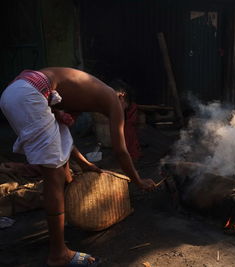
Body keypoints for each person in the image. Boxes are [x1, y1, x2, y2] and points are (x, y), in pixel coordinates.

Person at [0, 68, 156, 266]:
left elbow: (62, 136)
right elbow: (121, 151)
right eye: (124, 109)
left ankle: (62, 218)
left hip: (15, 92)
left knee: (61, 166)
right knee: (54, 176)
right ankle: (59, 254)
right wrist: (138, 181)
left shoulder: (84, 92)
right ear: (122, 96)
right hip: (29, 94)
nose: (120, 114)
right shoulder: (112, 97)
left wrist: (84, 163)